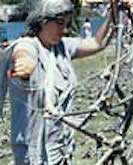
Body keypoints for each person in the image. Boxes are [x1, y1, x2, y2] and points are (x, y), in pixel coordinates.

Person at [0, 0, 113, 164]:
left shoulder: (61, 47)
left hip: (61, 149)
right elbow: (22, 51)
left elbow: (96, 43)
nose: (65, 30)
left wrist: (114, 14)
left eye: (67, 24)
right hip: (33, 155)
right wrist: (25, 62)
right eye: (60, 23)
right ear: (42, 21)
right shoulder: (28, 45)